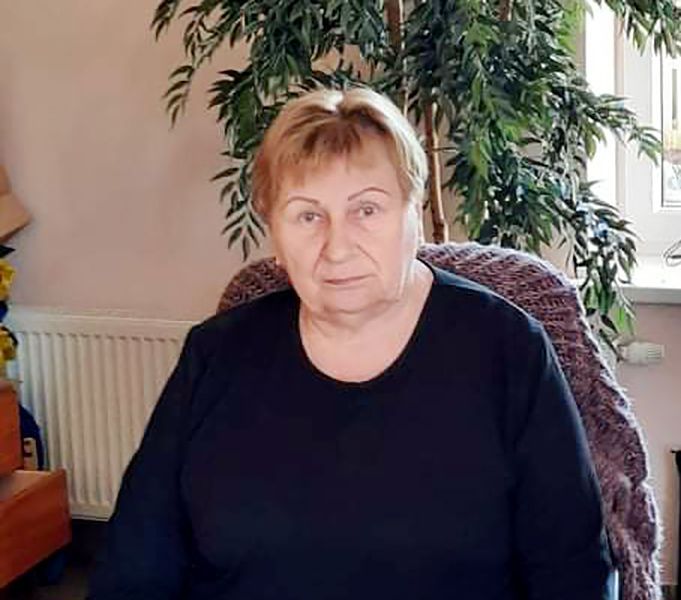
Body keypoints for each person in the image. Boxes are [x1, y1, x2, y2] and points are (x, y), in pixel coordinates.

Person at [89, 87, 615, 599]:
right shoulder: (215, 355)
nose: (336, 248)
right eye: (307, 215)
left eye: (367, 210)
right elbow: (135, 568)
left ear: (413, 215)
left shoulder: (507, 350)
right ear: (275, 235)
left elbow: (572, 574)